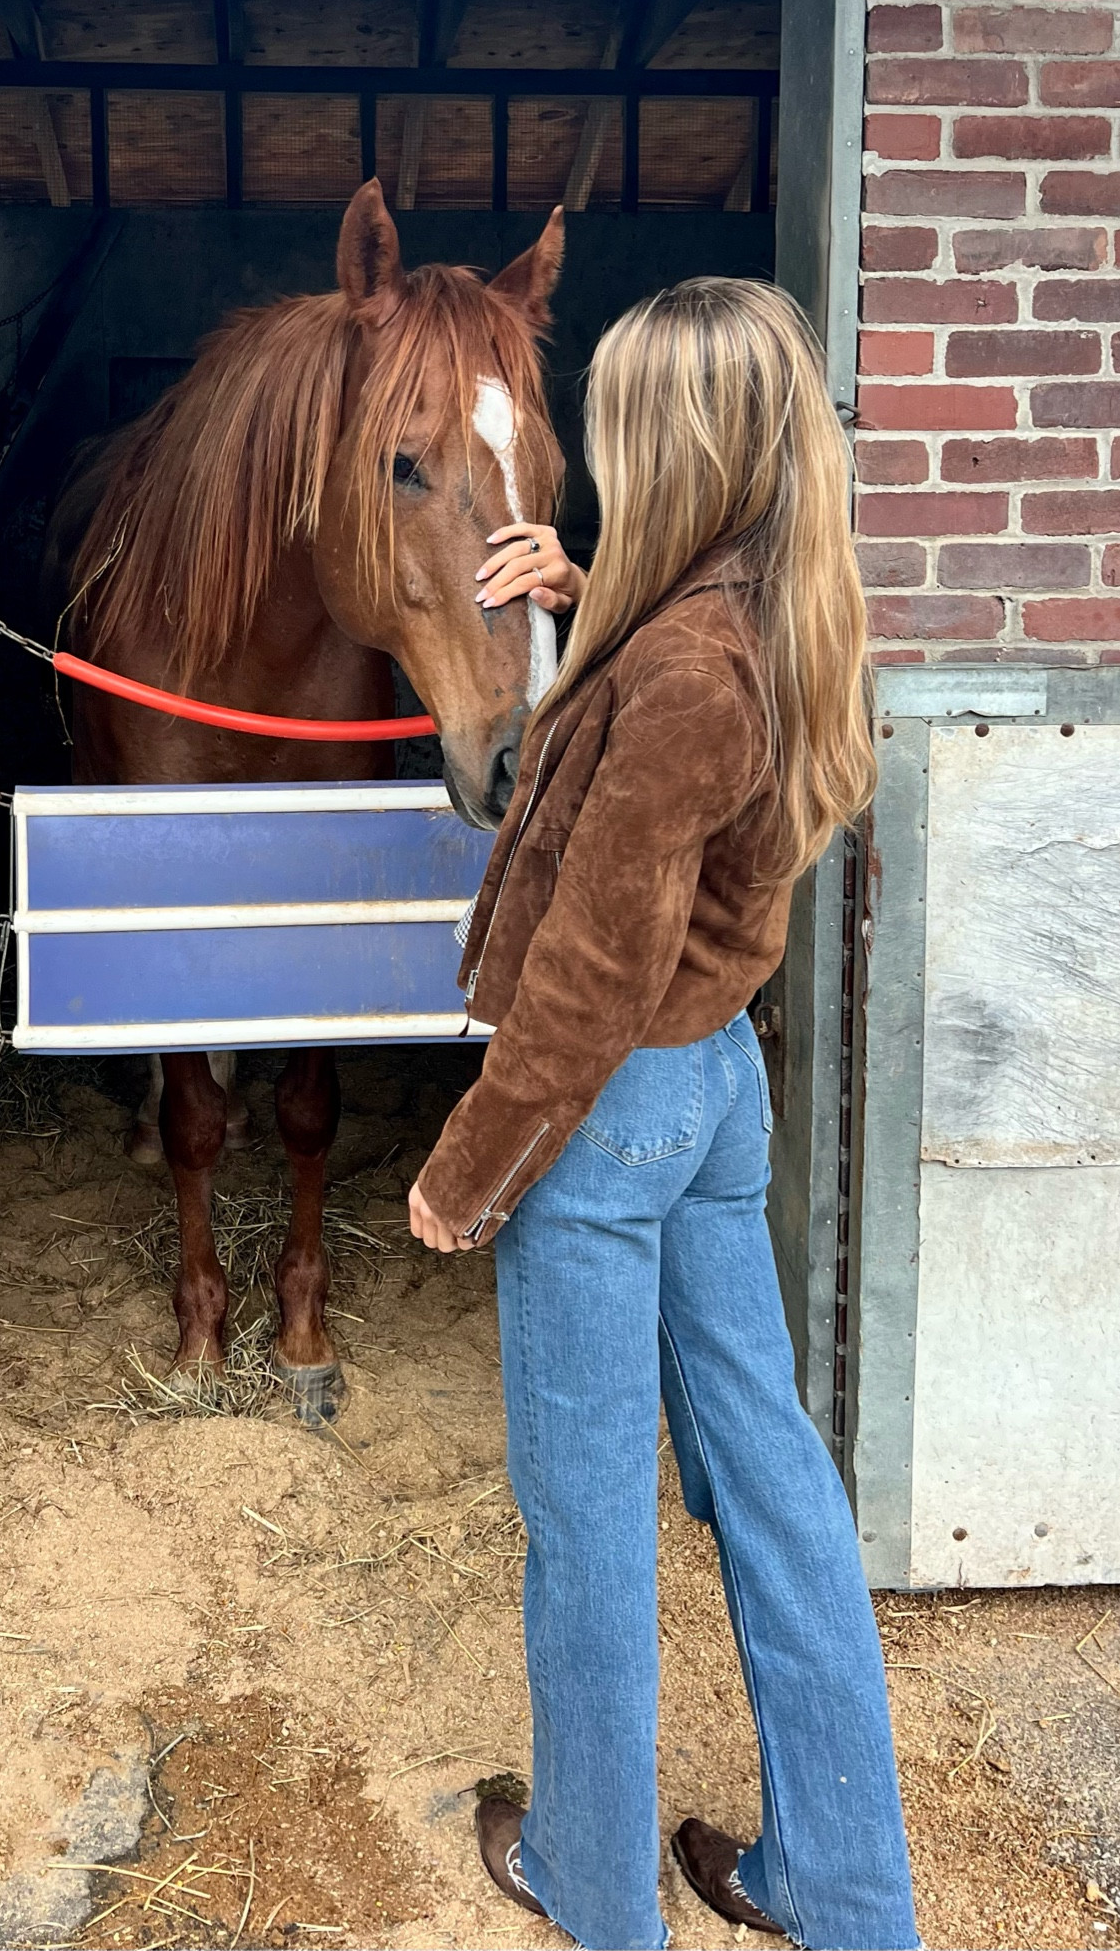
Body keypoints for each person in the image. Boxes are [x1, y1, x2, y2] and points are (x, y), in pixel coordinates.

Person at [407, 277, 918, 1951]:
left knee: (586, 1520)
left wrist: (467, 1167)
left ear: (678, 446)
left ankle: (594, 1880)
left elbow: (591, 970)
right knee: (770, 1479)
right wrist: (578, 580)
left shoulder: (689, 667)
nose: (594, 463)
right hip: (715, 1096)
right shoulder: (769, 610)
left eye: (618, 427)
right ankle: (837, 1887)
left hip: (612, 1109)